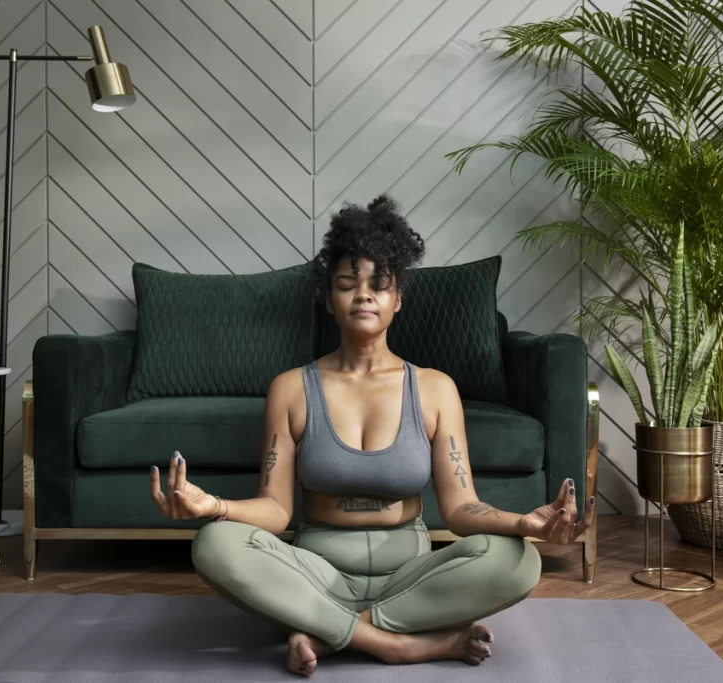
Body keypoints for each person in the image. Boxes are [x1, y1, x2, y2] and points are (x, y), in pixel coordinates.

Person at [148, 195, 595, 677]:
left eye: (379, 286)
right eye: (347, 284)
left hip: (410, 577)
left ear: (397, 299)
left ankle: (326, 632)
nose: (363, 295)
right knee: (214, 545)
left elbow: (462, 510)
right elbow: (275, 512)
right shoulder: (291, 389)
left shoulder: (435, 389)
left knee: (517, 561)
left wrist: (522, 524)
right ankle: (400, 645)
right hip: (317, 574)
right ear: (329, 299)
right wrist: (211, 507)